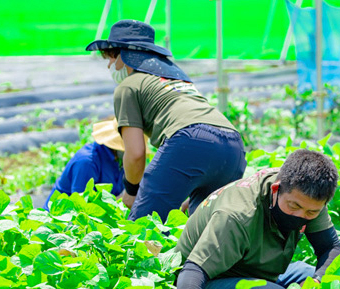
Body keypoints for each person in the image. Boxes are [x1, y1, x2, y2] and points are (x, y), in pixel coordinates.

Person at [86, 20, 246, 221]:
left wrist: (131, 191)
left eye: (110, 56)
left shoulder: (128, 86)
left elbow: (135, 154)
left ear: (125, 55)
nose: (109, 64)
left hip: (189, 141)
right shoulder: (174, 80)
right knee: (202, 232)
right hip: (233, 147)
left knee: (145, 228)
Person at [174, 149, 340, 289]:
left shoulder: (309, 196)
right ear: (275, 189)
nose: (301, 215)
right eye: (293, 206)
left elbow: (331, 248)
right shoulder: (237, 215)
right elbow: (193, 272)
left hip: (259, 270)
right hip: (207, 280)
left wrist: (316, 282)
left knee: (338, 283)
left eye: (311, 212)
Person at [43, 118, 148, 209]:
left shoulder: (122, 159)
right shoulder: (87, 162)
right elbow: (81, 207)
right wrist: (120, 201)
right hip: (60, 223)